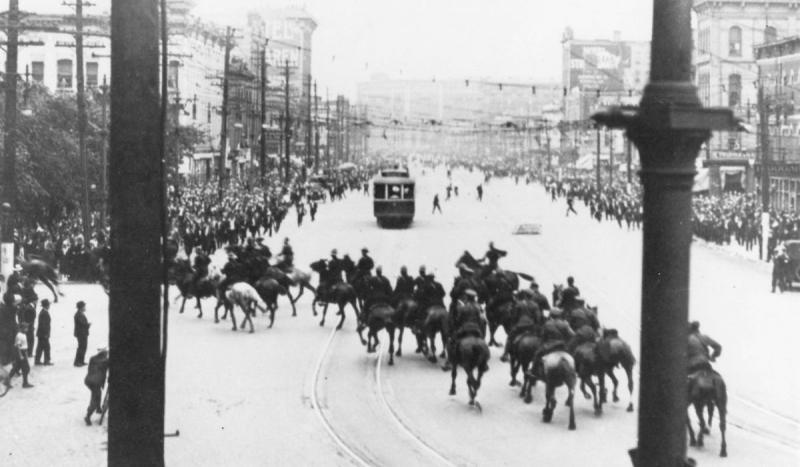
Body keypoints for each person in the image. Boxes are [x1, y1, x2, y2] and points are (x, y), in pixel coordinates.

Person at [84, 347, 109, 426]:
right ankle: (88, 416)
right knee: (95, 398)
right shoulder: (106, 361)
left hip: (88, 380)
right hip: (96, 382)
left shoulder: (93, 358)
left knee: (97, 393)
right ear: (104, 353)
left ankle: (98, 408)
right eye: (106, 352)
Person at [34, 299, 52, 366]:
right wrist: (46, 334)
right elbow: (43, 325)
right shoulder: (44, 313)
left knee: (40, 347)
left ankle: (37, 360)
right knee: (47, 347)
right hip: (43, 334)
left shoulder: (43, 312)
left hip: (40, 334)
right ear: (47, 305)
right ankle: (46, 361)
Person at [74, 301, 90, 367]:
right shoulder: (78, 315)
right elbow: (82, 324)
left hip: (83, 333)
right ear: (81, 307)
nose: (85, 308)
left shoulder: (80, 314)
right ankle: (78, 362)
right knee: (81, 347)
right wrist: (88, 325)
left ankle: (81, 361)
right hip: (81, 334)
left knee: (83, 347)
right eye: (84, 306)